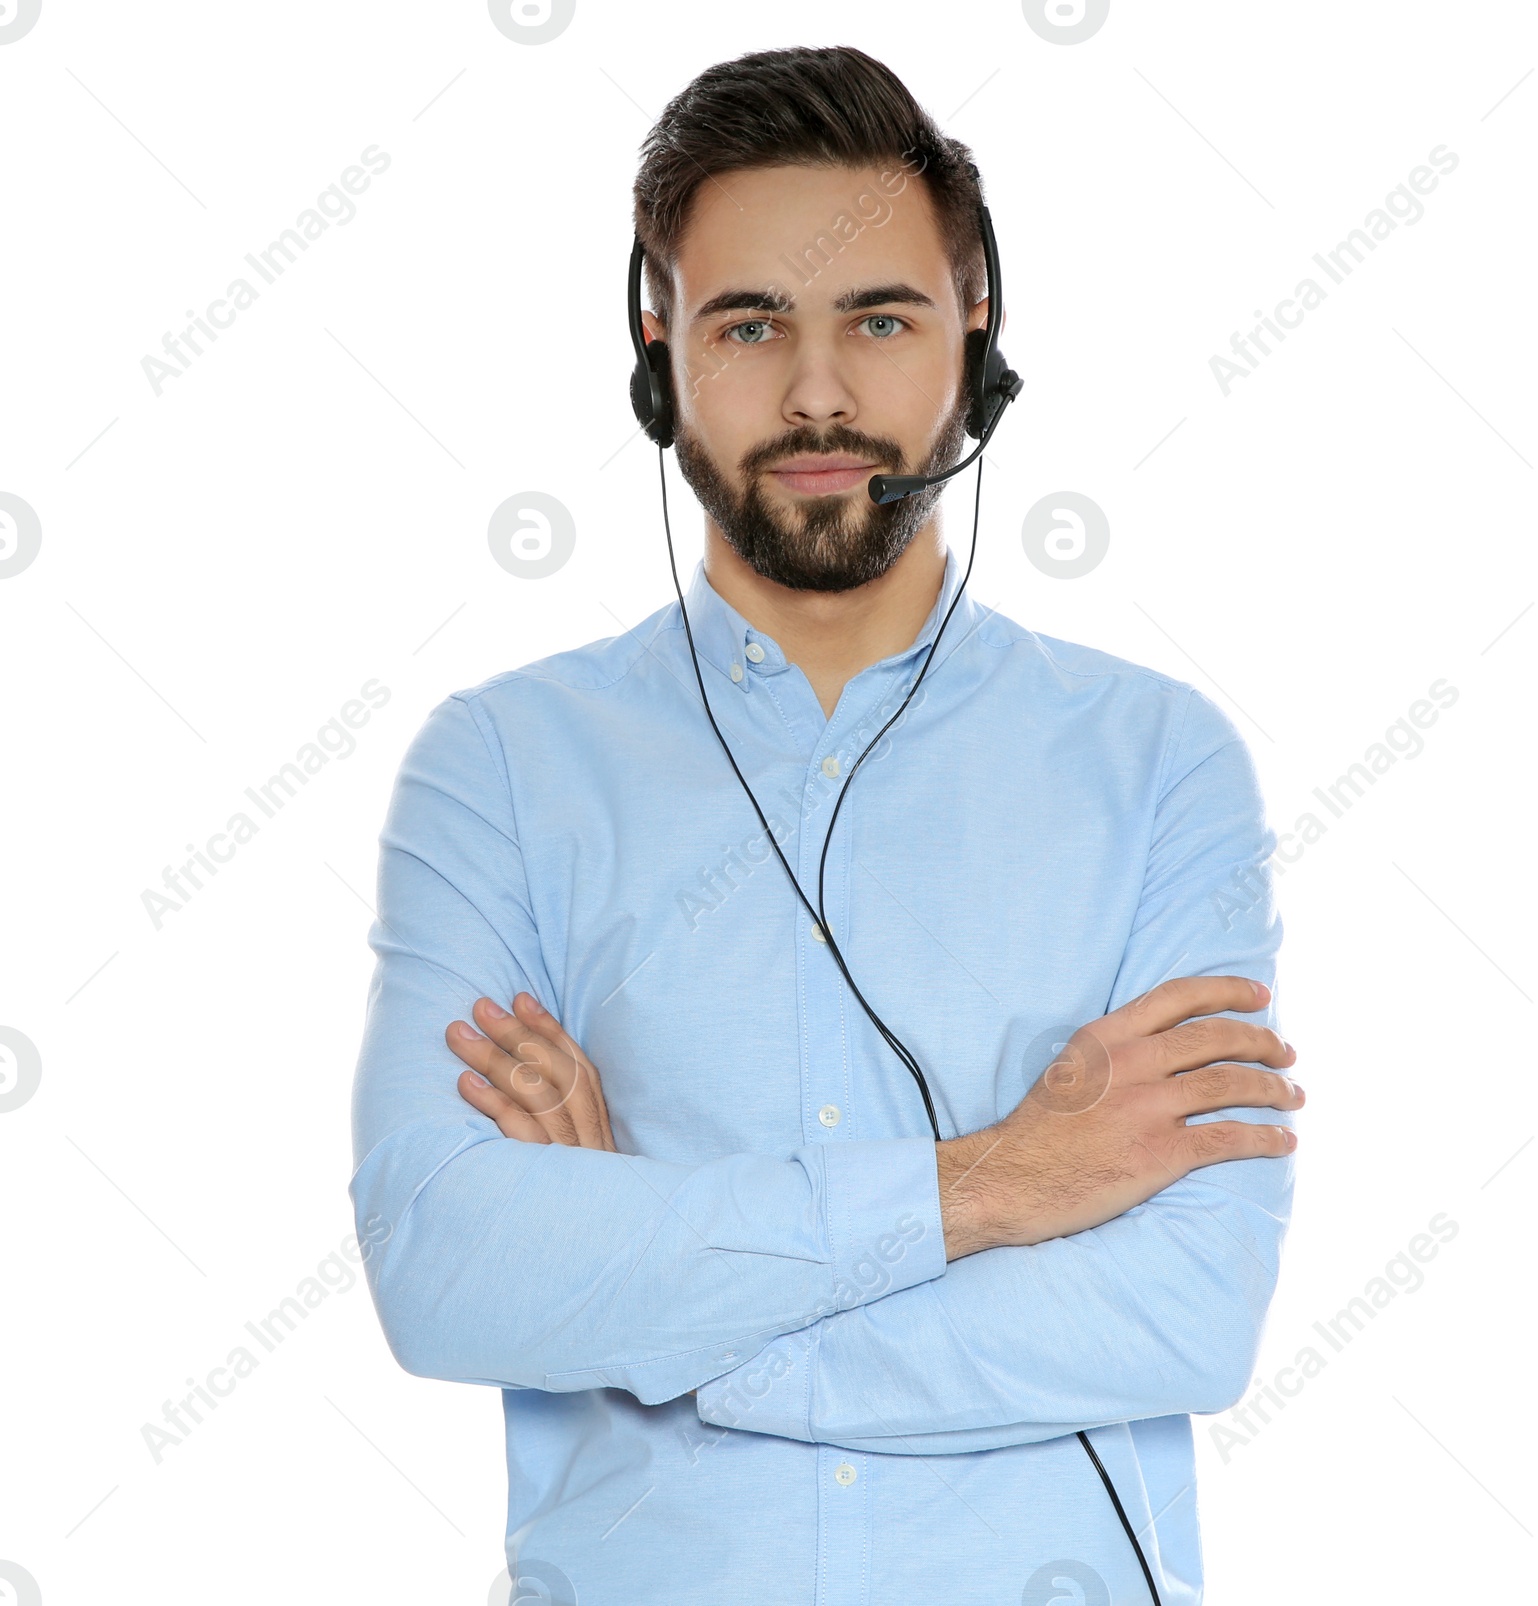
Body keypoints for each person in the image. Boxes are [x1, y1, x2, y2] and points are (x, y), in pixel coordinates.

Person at [349, 45, 1303, 1606]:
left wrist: (658, 1302)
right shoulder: (502, 765)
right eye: (749, 324)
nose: (816, 393)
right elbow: (450, 1272)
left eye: (879, 317)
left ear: (974, 336)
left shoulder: (1159, 764)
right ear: (658, 354)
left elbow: (1190, 1306)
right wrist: (994, 1183)